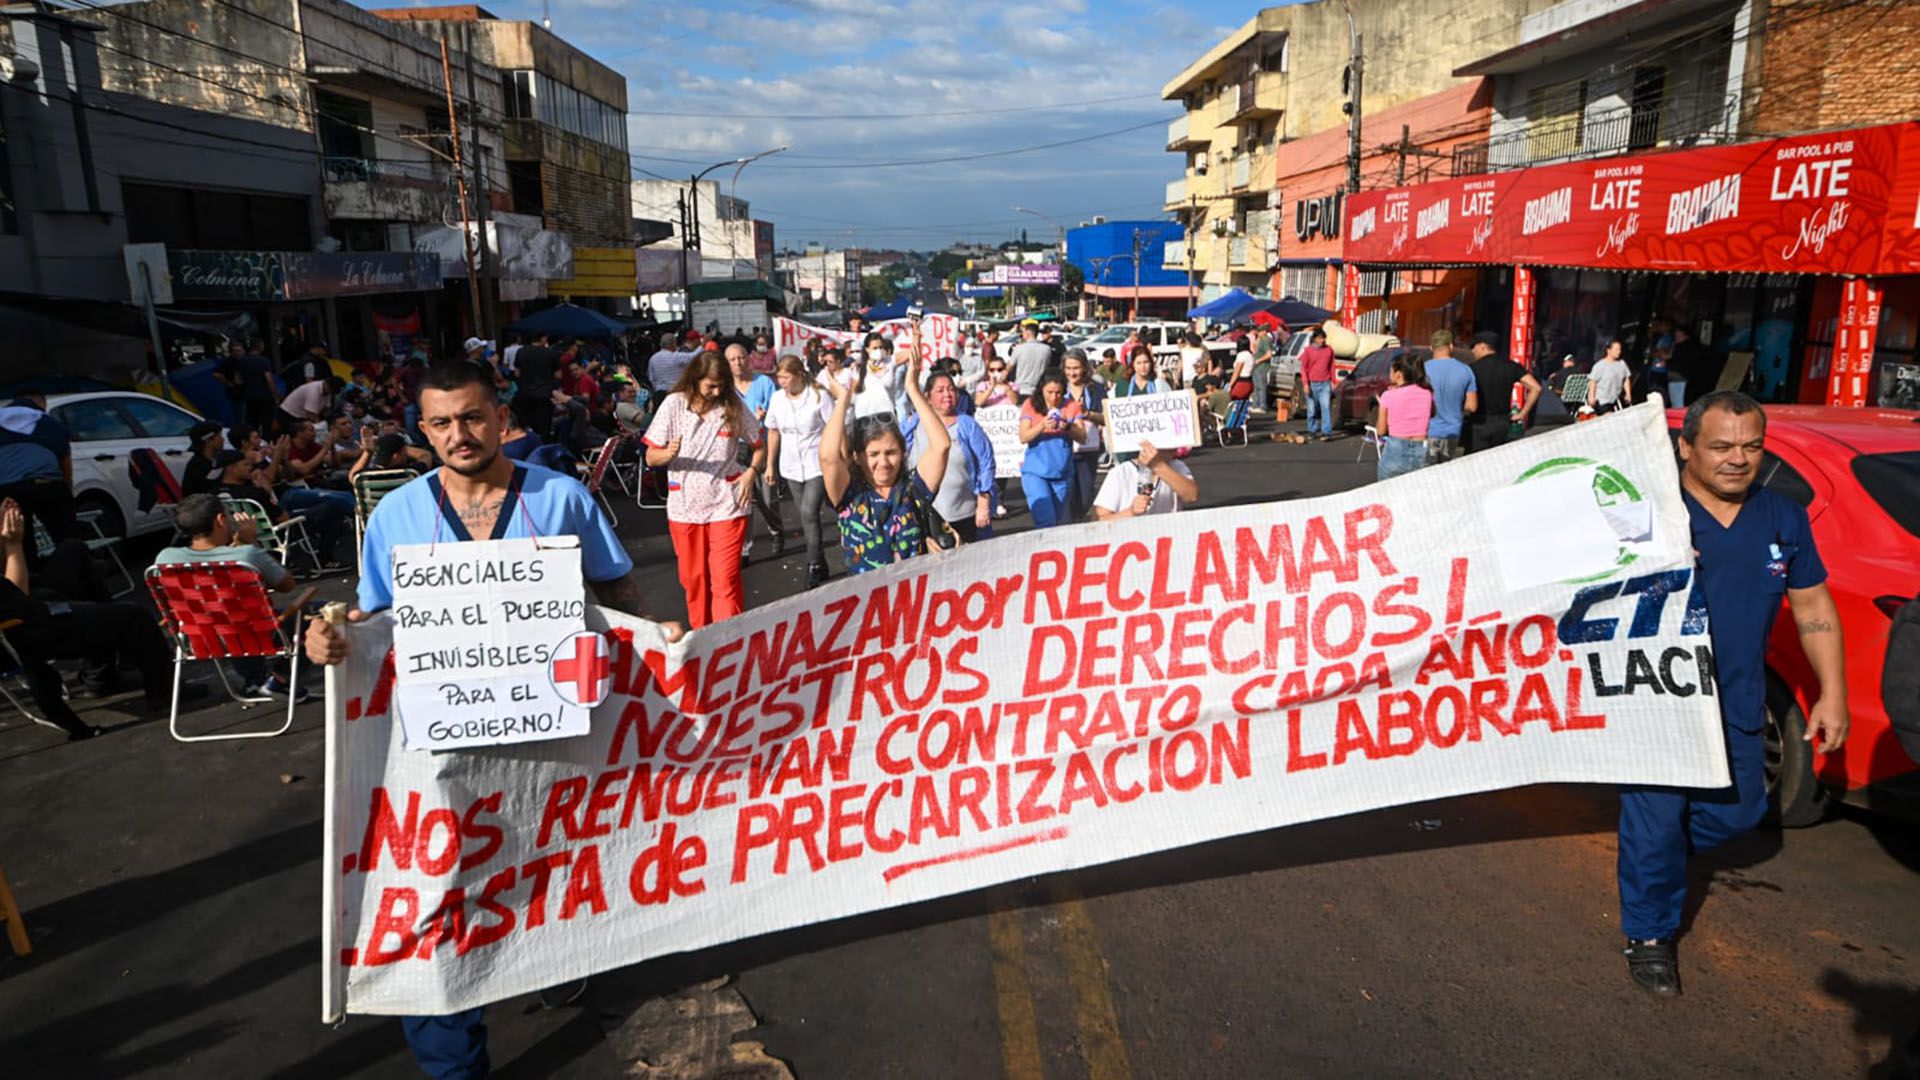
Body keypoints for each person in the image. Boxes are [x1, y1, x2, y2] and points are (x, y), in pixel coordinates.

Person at [305, 359, 679, 1079]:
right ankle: (455, 1066)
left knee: (548, 878)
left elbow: (614, 587)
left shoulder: (561, 497)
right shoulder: (396, 516)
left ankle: (554, 958)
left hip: (552, 743)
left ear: (501, 417)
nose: (460, 434)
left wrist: (652, 635)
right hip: (438, 753)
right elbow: (375, 620)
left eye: (473, 417)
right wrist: (335, 641)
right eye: (441, 422)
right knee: (435, 903)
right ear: (422, 429)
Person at [1616, 390, 1847, 998]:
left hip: (1738, 701)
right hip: (1657, 704)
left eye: (1751, 446)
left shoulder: (1783, 517)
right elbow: (1572, 589)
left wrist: (1833, 692)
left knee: (1741, 812)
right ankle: (1649, 936)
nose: (1737, 459)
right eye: (1720, 446)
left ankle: (1652, 852)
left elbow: (1813, 604)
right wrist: (1645, 566)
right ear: (1686, 447)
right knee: (1657, 822)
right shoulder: (1645, 513)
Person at [0, 498, 198, 739]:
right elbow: (17, 598)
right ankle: (162, 691)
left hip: (30, 607)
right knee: (135, 615)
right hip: (30, 628)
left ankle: (101, 670)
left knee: (73, 550)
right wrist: (12, 545)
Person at [644, 351, 764, 628]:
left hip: (727, 504)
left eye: (721, 384)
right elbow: (651, 457)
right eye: (711, 385)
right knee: (694, 580)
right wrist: (668, 454)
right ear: (695, 379)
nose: (717, 390)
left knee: (725, 579)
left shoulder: (732, 405)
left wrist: (751, 473)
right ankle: (701, 638)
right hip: (684, 508)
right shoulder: (674, 405)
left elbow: (759, 444)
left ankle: (728, 643)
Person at [154, 492, 307, 700]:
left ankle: (255, 679)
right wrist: (249, 543)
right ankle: (279, 677)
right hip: (252, 632)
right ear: (220, 520)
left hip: (201, 636)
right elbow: (287, 585)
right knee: (317, 612)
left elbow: (210, 566)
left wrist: (235, 547)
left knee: (225, 614)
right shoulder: (246, 556)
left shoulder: (165, 559)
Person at [819, 342, 950, 575]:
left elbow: (941, 446)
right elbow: (828, 458)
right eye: (873, 454)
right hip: (867, 605)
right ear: (857, 457)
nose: (884, 462)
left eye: (891, 453)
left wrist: (912, 388)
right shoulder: (849, 495)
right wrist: (843, 400)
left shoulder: (913, 490)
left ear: (903, 453)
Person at [901, 370, 996, 543]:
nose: (947, 394)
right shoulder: (913, 423)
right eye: (940, 390)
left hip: (964, 512)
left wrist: (984, 501)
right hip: (923, 514)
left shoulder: (967, 424)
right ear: (927, 397)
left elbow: (986, 462)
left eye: (951, 389)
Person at [765, 356, 832, 588]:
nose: (781, 382)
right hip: (790, 466)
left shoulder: (818, 396)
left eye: (785, 377)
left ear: (799, 374)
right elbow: (773, 432)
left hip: (816, 463)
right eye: (779, 377)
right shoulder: (777, 400)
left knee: (809, 511)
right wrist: (770, 465)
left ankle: (813, 564)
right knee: (807, 517)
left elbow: (833, 429)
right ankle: (821, 560)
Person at [728, 343, 784, 564]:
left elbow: (777, 412)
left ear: (748, 359)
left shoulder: (763, 383)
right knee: (744, 499)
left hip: (762, 444)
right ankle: (744, 549)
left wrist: (766, 413)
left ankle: (776, 529)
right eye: (732, 359)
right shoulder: (725, 388)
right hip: (737, 448)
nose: (737, 363)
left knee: (768, 498)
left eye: (741, 357)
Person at [1018, 369, 1087, 529]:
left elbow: (1082, 437)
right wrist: (1042, 425)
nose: (1054, 397)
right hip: (1036, 473)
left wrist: (1068, 427)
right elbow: (1023, 437)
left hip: (1062, 474)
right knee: (1045, 522)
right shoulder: (1030, 405)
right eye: (1049, 392)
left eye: (1058, 393)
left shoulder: (1071, 406)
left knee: (1055, 523)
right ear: (1041, 388)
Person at [0, 394, 74, 541]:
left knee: (20, 542)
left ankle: (25, 562)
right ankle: (74, 560)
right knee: (66, 536)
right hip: (48, 484)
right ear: (41, 406)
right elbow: (66, 465)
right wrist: (68, 493)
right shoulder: (50, 423)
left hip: (9, 490)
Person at [1464, 331, 1542, 452]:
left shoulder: (1471, 369)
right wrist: (1522, 413)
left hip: (1478, 422)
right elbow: (1536, 388)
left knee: (1475, 464)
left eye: (1474, 347)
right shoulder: (1511, 366)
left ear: (1483, 346)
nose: (1473, 351)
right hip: (1502, 423)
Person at [1092, 440, 1196, 520]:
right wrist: (1131, 512)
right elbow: (1099, 519)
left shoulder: (1176, 466)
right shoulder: (1121, 473)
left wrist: (1158, 466)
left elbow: (1192, 496)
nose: (1175, 449)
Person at [1061, 351, 1106, 521]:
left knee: (1085, 496)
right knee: (1067, 496)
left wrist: (1087, 414)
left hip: (1089, 448)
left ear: (1085, 368)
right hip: (1063, 448)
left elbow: (1106, 418)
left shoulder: (1095, 389)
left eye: (1076, 368)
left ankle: (1078, 519)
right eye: (1068, 368)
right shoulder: (1057, 388)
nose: (1072, 373)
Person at [1110, 344, 1171, 467]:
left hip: (1154, 443)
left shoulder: (1159, 384)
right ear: (1132, 364)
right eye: (1139, 363)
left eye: (1146, 362)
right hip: (1129, 445)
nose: (1143, 367)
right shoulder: (1122, 385)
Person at [1374, 352, 1432, 481]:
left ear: (1398, 374)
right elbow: (1431, 414)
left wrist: (1382, 405)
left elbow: (1381, 430)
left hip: (1396, 448)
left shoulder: (1388, 396)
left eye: (1391, 370)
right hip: (1420, 448)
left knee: (1387, 494)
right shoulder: (1427, 393)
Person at [1423, 330, 1478, 463]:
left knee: (1426, 475)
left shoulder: (1422, 370)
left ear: (1431, 347)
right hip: (1452, 431)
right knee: (1445, 472)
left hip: (1426, 430)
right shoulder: (1465, 370)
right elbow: (1472, 406)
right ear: (1451, 346)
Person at [513, 332, 562, 440]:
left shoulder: (521, 352)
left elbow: (517, 373)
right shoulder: (551, 353)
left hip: (525, 395)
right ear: (543, 339)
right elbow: (558, 375)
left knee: (528, 426)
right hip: (544, 395)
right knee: (544, 428)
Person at [1299, 328, 1337, 440]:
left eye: (1323, 338)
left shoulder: (1329, 350)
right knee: (1312, 409)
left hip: (1325, 383)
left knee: (1325, 407)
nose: (1322, 341)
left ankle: (1326, 432)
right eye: (1320, 338)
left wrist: (1333, 381)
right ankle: (1312, 430)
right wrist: (1306, 384)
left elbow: (1332, 366)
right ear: (1315, 339)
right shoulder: (1308, 351)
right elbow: (1303, 369)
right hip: (1312, 384)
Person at [1008, 321, 1053, 403]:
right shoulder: (1047, 349)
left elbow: (1008, 368)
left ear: (1028, 333)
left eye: (1023, 332)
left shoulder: (1019, 349)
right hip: (1039, 389)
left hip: (1021, 390)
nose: (1022, 334)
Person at [1588, 337, 1632, 415]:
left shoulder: (1622, 364)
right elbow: (1593, 381)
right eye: (1616, 350)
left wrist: (1628, 394)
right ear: (1609, 350)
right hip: (1602, 400)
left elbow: (1626, 379)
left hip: (1616, 399)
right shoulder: (1599, 366)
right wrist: (1591, 397)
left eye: (1620, 349)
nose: (1619, 352)